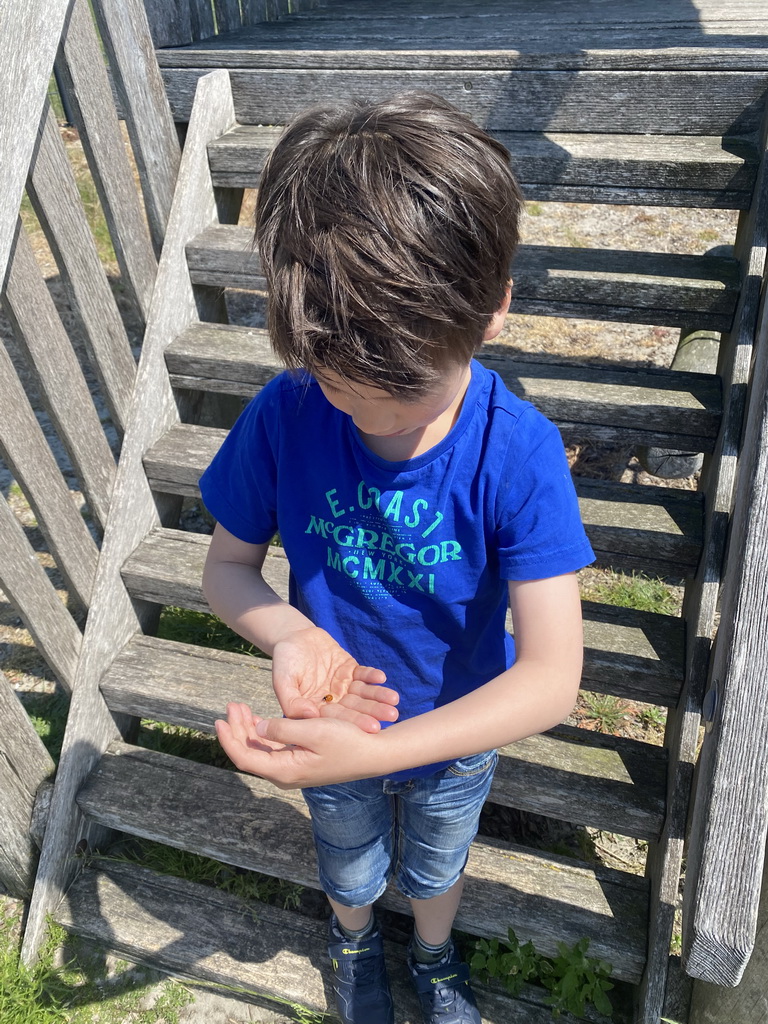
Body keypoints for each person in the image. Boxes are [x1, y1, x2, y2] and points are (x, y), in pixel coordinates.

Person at [199, 91, 594, 1024]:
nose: (365, 416)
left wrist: (382, 750)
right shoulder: (288, 411)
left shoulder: (519, 451)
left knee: (436, 864)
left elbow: (552, 678)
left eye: (400, 394)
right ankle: (350, 942)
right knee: (348, 861)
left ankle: (434, 952)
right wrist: (289, 633)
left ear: (493, 310)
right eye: (339, 386)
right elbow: (225, 569)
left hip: (453, 744)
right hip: (331, 722)